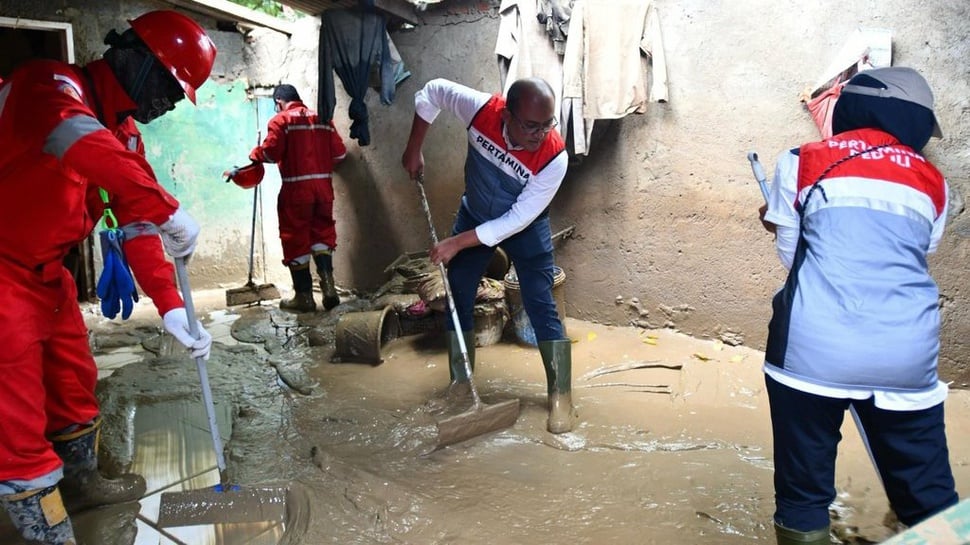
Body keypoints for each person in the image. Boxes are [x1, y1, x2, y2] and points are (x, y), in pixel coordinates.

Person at [0, 10, 216, 544]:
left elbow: (138, 223)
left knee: (74, 384)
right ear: (133, 56)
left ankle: (81, 485)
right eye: (167, 87)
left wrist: (168, 305)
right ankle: (46, 533)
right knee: (16, 415)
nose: (164, 106)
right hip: (2, 273)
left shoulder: (122, 134)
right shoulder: (49, 86)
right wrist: (167, 207)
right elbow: (79, 142)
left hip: (48, 276)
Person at [758, 67, 958, 545]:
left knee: (803, 493)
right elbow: (911, 254)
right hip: (906, 355)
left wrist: (778, 221)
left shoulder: (801, 160)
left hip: (812, 351)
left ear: (851, 109)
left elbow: (794, 257)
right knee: (929, 494)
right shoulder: (935, 182)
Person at [401, 77, 576, 434]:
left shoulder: (555, 158)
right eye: (531, 125)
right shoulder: (479, 108)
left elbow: (514, 221)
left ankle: (561, 395)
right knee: (457, 294)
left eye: (548, 124)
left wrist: (456, 243)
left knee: (540, 301)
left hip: (524, 226)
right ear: (507, 114)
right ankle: (461, 385)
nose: (540, 134)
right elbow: (431, 90)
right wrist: (414, 146)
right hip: (476, 211)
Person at [248, 84, 348, 313]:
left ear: (279, 102)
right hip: (323, 189)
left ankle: (304, 297)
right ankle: (329, 289)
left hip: (296, 190)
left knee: (295, 239)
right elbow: (341, 153)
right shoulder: (323, 118)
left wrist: (255, 153)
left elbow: (271, 153)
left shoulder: (280, 121)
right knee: (322, 234)